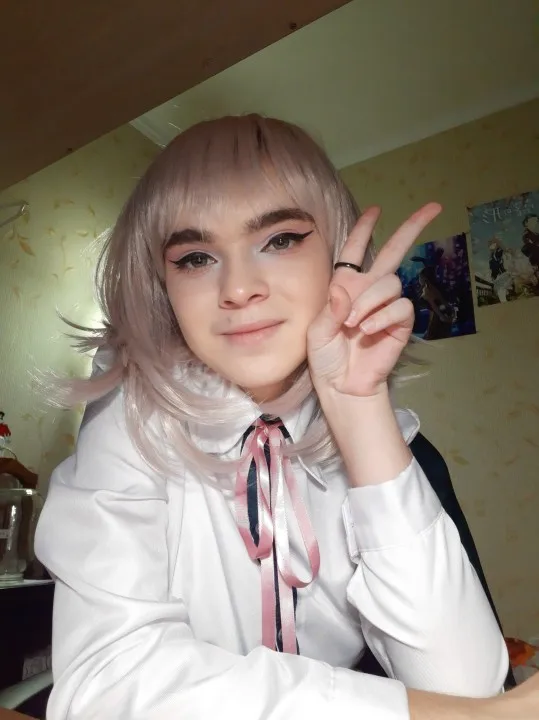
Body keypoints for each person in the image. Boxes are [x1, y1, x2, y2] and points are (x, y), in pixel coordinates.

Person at [35, 115, 538, 720]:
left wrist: (359, 411)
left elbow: (467, 689)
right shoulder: (130, 412)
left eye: (279, 240)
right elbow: (106, 683)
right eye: (195, 257)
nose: (239, 287)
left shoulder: (406, 449)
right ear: (162, 285)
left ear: (337, 252)